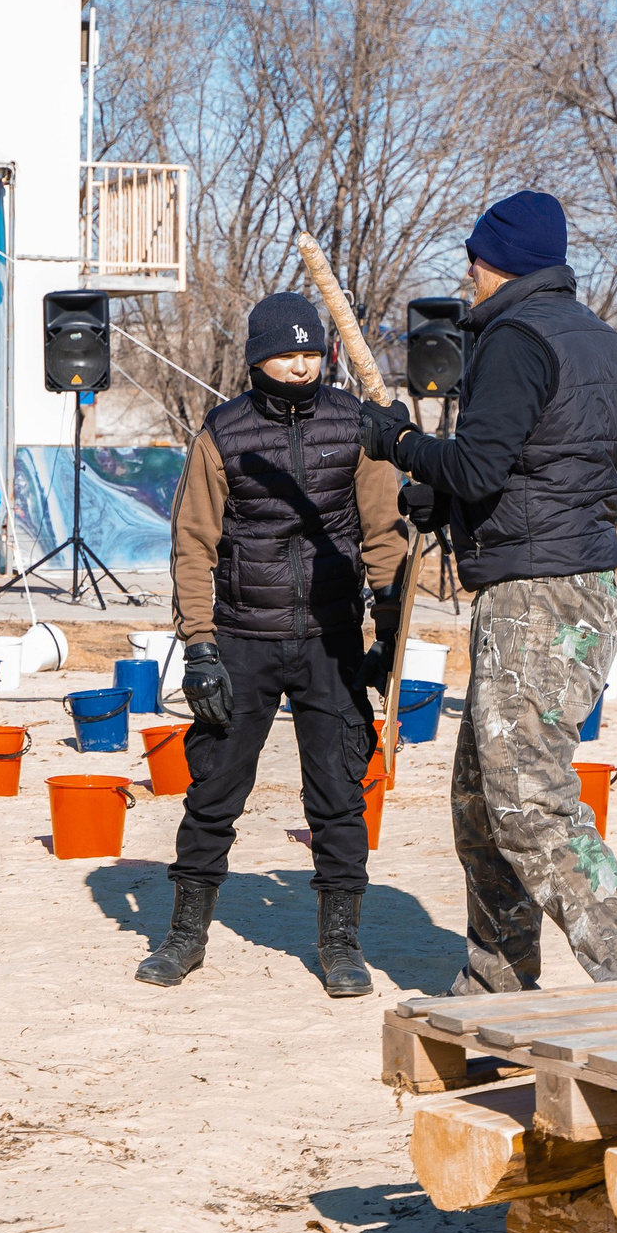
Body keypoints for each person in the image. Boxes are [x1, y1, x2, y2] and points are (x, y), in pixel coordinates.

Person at [356, 191, 617, 995]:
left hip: (537, 600)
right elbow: (545, 464)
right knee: (478, 801)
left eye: (478, 256)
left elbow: (482, 465)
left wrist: (399, 443)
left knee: (530, 804)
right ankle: (497, 976)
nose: (468, 269)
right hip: (577, 585)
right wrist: (448, 499)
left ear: (507, 262)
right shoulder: (598, 338)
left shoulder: (517, 338)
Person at [138, 293, 408, 997]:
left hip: (331, 638)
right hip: (241, 639)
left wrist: (391, 626)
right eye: (287, 351)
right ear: (258, 357)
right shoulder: (222, 433)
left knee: (339, 797)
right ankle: (184, 934)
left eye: (312, 351)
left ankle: (341, 941)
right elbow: (193, 542)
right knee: (214, 792)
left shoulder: (357, 425)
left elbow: (383, 532)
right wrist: (199, 643)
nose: (301, 362)